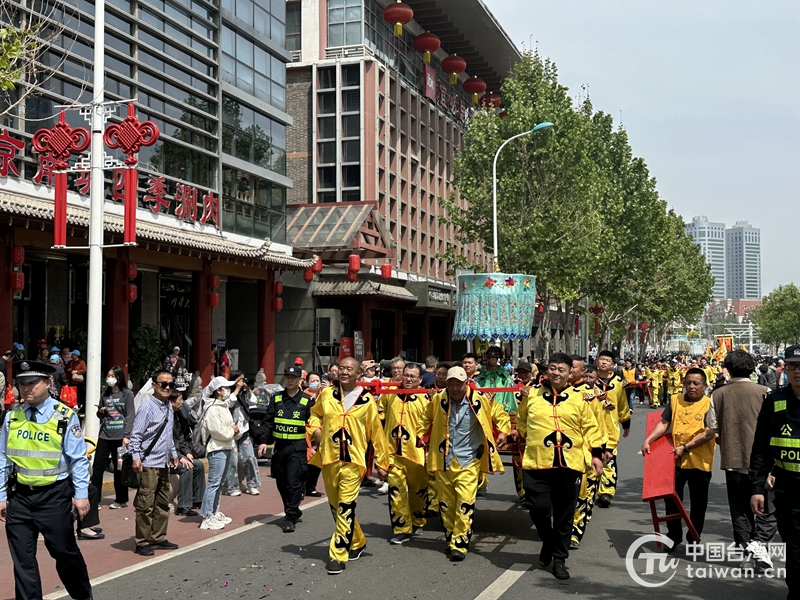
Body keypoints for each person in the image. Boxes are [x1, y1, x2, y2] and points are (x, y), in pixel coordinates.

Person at [0, 360, 92, 600]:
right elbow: (3, 459)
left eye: (32, 383)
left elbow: (78, 459)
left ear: (48, 383)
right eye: (22, 384)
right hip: (19, 497)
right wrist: (1, 496)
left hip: (54, 496)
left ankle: (83, 595)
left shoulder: (64, 416)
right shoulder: (12, 417)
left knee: (64, 553)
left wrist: (81, 495)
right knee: (22, 560)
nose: (26, 389)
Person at [511, 353, 604, 579]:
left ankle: (559, 559)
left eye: (561, 369)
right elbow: (522, 420)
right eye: (553, 368)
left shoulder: (580, 398)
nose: (556, 373)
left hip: (569, 463)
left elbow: (591, 427)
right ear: (547, 370)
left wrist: (596, 454)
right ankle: (549, 541)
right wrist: (519, 433)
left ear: (570, 372)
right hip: (537, 461)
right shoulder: (531, 394)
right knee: (538, 508)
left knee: (564, 514)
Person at [308, 356, 389, 574]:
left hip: (353, 462)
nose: (344, 372)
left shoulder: (367, 401)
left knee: (346, 506)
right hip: (329, 458)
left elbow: (376, 434)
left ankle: (338, 554)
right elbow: (314, 415)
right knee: (336, 507)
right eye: (341, 368)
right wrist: (315, 431)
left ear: (358, 374)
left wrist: (382, 463)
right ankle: (358, 541)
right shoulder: (326, 394)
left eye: (349, 369)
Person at [419, 366, 509, 561]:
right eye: (450, 384)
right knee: (446, 503)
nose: (454, 389)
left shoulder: (479, 400)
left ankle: (460, 543)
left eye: (458, 385)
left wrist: (503, 431)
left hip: (469, 459)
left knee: (465, 502)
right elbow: (425, 418)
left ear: (466, 383)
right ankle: (451, 537)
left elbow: (499, 413)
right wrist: (421, 435)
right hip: (444, 458)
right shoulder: (438, 399)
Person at [711, 350, 776, 569]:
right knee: (768, 508)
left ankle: (747, 553)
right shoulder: (765, 391)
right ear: (752, 368)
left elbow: (711, 426)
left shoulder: (718, 394)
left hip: (733, 459)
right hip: (764, 463)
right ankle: (759, 545)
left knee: (740, 509)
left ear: (727, 369)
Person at [642, 368, 716, 553]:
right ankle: (673, 536)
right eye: (688, 383)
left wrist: (687, 447)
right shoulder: (675, 400)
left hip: (700, 461)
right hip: (674, 459)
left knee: (699, 503)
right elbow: (664, 423)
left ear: (704, 386)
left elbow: (709, 432)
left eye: (696, 383)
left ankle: (693, 537)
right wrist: (648, 440)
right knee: (672, 500)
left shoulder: (710, 404)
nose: (691, 387)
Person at [750, 344, 800, 600]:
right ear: (785, 369)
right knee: (794, 549)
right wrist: (758, 487)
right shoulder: (775, 400)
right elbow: (760, 447)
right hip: (788, 488)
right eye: (792, 366)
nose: (798, 372)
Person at [256, 366, 315, 532]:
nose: (290, 380)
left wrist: (314, 446)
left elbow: (314, 425)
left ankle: (289, 517)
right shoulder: (276, 399)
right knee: (282, 483)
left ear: (299, 380)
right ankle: (294, 509)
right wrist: (263, 441)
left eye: (293, 377)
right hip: (280, 448)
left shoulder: (307, 400)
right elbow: (268, 422)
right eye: (287, 377)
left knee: (293, 482)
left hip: (297, 448)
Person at [129, 369, 180, 556]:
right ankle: (142, 541)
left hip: (164, 462)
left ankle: (158, 536)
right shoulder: (147, 406)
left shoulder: (168, 406)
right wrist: (136, 457)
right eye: (163, 384)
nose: (167, 388)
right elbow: (136, 435)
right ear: (154, 386)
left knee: (163, 502)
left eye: (170, 385)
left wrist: (173, 453)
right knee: (145, 503)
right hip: (148, 462)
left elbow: (168, 434)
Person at [381, 363, 430, 544]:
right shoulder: (390, 394)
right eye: (406, 375)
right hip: (393, 452)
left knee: (418, 492)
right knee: (396, 491)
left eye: (412, 376)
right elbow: (379, 416)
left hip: (416, 453)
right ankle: (401, 528)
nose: (408, 379)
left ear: (420, 379)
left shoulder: (426, 398)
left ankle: (417, 521)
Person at [90, 366, 135, 510]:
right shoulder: (105, 394)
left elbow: (130, 415)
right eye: (108, 375)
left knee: (119, 468)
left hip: (120, 436)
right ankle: (95, 499)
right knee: (97, 467)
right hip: (105, 435)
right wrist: (100, 411)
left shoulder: (126, 394)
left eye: (112, 375)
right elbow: (100, 415)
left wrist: (127, 436)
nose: (109, 378)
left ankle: (121, 499)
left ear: (119, 377)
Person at [198, 376, 238, 530]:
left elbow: (226, 428)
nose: (227, 390)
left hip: (226, 446)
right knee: (214, 483)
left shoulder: (223, 406)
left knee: (219, 483)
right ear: (218, 391)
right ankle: (206, 515)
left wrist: (233, 430)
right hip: (217, 449)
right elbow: (216, 431)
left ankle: (214, 511)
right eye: (225, 388)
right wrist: (231, 430)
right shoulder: (213, 408)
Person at [594, 350, 631, 508]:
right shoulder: (590, 380)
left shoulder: (617, 382)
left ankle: (606, 493)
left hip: (611, 427)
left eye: (607, 360)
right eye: (601, 359)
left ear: (612, 364)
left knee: (609, 458)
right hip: (592, 426)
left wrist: (626, 423)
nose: (603, 362)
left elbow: (622, 404)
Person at [169, 387, 205, 517]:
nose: (182, 402)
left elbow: (181, 439)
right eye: (180, 399)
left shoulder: (178, 417)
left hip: (177, 453)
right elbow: (166, 443)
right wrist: (179, 457)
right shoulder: (165, 418)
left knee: (198, 465)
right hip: (166, 457)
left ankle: (197, 500)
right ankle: (183, 506)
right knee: (186, 468)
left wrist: (187, 453)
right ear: (172, 401)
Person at [225, 372, 261, 496]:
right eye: (239, 380)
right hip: (231, 431)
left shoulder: (245, 393)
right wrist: (237, 389)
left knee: (250, 457)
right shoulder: (227, 392)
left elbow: (254, 401)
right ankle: (232, 487)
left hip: (244, 430)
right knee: (232, 460)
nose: (242, 382)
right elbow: (229, 403)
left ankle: (253, 484)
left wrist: (247, 389)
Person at [475, 347, 516, 413]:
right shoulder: (483, 372)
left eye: (494, 359)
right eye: (491, 358)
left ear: (497, 360)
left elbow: (509, 381)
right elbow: (478, 382)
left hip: (500, 396)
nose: (493, 361)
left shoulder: (502, 372)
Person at [304, 372, 324, 497]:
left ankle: (311, 487)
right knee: (307, 460)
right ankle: (303, 487)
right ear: (307, 383)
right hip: (307, 431)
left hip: (321, 432)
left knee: (318, 461)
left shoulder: (326, 395)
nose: (315, 382)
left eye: (317, 379)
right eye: (312, 380)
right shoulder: (304, 396)